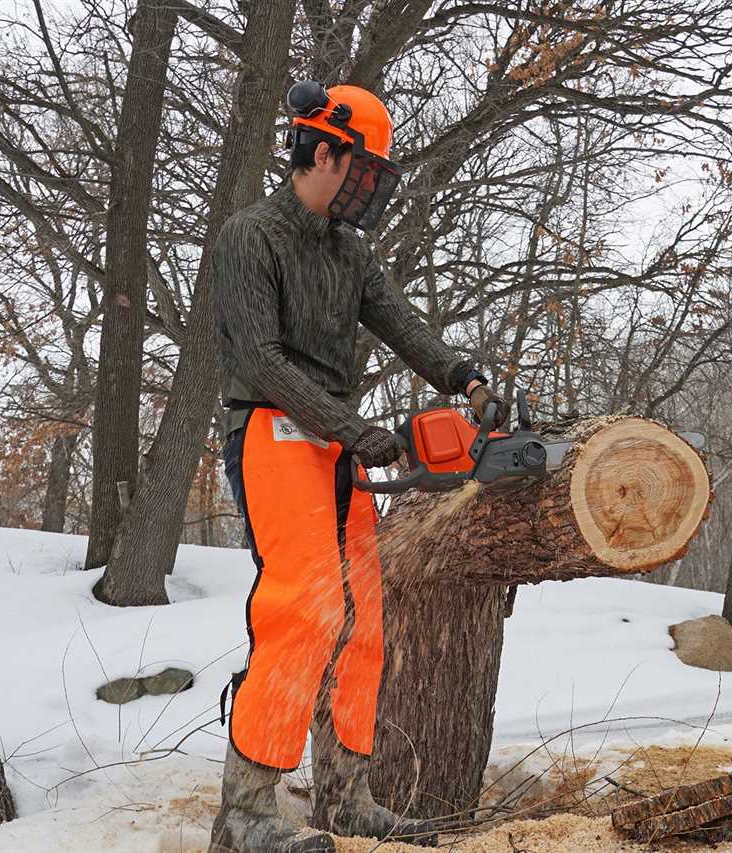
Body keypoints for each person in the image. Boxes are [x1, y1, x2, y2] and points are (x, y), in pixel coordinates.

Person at [208, 81, 507, 853]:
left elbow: (402, 322)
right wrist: (352, 426)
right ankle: (244, 812)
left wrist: (465, 378)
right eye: (363, 171)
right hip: (273, 431)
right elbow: (260, 360)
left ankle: (344, 797)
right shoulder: (251, 235)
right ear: (324, 151)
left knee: (361, 621)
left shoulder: (352, 252)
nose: (368, 188)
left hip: (335, 446)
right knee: (303, 610)